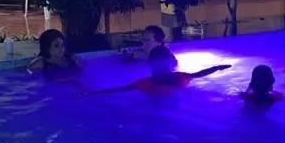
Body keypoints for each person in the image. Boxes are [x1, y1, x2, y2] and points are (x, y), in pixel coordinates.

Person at [89, 46, 231, 94]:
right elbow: (199, 74)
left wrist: (92, 93)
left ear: (151, 65)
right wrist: (217, 68)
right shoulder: (182, 78)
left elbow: (119, 90)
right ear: (170, 64)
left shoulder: (144, 83)